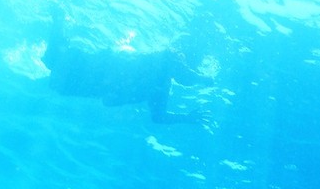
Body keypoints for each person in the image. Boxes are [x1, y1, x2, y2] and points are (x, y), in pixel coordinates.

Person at [43, 11, 212, 124]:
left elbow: (158, 117)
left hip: (92, 81)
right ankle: (58, 17)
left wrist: (187, 118)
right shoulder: (164, 59)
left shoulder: (162, 86)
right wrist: (202, 79)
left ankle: (58, 17)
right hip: (93, 76)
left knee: (54, 66)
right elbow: (185, 76)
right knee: (55, 64)